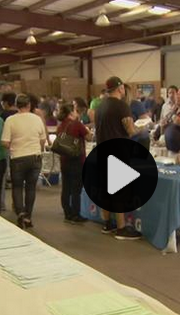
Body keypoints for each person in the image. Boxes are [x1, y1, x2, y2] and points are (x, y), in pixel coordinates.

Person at [94, 76, 140, 240]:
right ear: (120, 89)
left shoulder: (100, 107)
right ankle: (121, 228)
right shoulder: (122, 106)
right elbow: (130, 130)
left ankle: (107, 224)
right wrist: (141, 128)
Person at [2, 94, 47, 229]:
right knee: (31, 188)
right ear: (29, 105)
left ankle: (20, 212)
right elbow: (43, 139)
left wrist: (14, 146)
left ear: (16, 105)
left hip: (18, 158)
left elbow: (4, 142)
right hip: (34, 157)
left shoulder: (10, 120)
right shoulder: (37, 119)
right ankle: (28, 217)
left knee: (17, 187)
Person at [56, 104, 92, 224]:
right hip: (77, 161)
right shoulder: (77, 124)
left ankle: (67, 214)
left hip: (65, 160)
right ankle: (76, 214)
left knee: (66, 188)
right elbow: (88, 138)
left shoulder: (61, 126)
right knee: (76, 189)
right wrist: (89, 131)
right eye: (76, 111)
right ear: (71, 113)